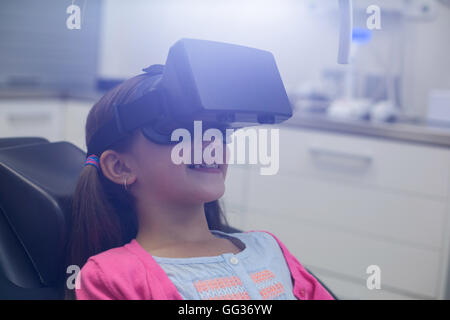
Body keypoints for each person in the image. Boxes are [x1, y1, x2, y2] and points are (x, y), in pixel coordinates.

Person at [66, 70, 334, 300]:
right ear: (120, 167)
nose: (212, 143)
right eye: (180, 129)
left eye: (220, 131)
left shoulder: (268, 246)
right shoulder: (112, 276)